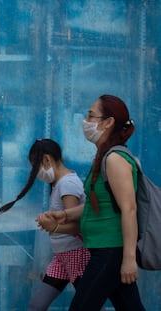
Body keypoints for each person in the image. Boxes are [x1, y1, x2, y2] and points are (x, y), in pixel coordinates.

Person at [47, 94, 146, 310]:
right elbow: (96, 206)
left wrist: (129, 259)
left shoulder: (114, 159)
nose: (86, 121)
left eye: (91, 115)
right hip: (104, 248)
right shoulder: (103, 157)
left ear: (108, 122)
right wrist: (64, 215)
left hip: (111, 250)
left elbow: (129, 209)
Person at [0, 138, 94, 311]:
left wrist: (54, 227)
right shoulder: (59, 183)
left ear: (47, 160)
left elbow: (78, 225)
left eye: (36, 166)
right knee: (37, 305)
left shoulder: (68, 184)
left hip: (76, 256)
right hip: (61, 257)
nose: (36, 172)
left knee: (89, 305)